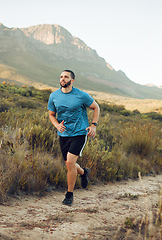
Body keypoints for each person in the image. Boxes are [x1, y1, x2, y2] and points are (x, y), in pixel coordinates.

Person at [48, 70, 100, 206]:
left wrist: (93, 125)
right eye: (61, 77)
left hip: (79, 133)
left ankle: (69, 195)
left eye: (66, 77)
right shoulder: (54, 96)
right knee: (68, 164)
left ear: (72, 80)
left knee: (70, 164)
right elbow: (52, 115)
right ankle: (83, 173)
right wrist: (57, 125)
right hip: (63, 134)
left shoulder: (81, 95)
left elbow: (96, 107)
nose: (62, 79)